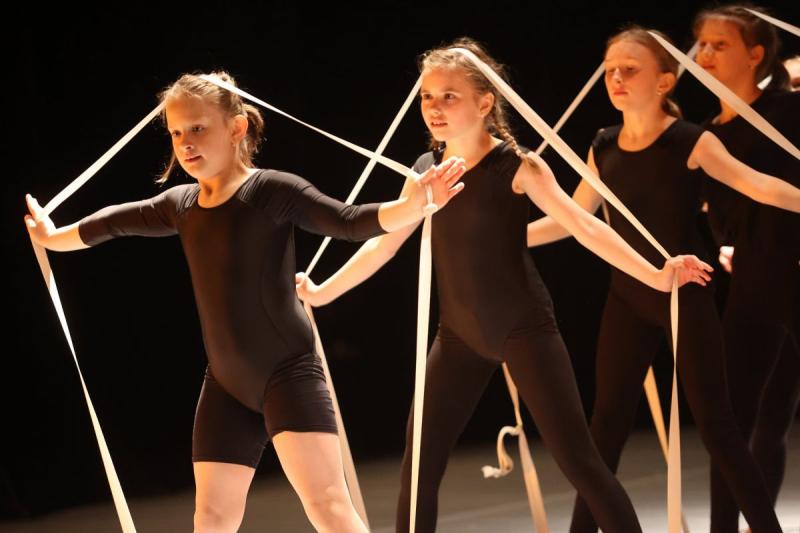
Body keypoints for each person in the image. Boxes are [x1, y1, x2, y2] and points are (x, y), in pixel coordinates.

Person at [296, 37, 712, 533]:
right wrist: (322, 291)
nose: (434, 107)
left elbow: (585, 226)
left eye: (449, 96)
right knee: (419, 468)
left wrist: (657, 273)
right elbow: (383, 245)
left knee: (581, 463)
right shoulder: (426, 173)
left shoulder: (518, 166)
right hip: (458, 338)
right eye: (427, 96)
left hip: (525, 329)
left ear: (484, 103)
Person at [24, 71, 466, 533]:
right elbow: (113, 222)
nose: (185, 142)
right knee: (211, 518)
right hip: (225, 385)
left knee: (328, 506)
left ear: (236, 128)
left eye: (198, 128)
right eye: (176, 132)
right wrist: (53, 238)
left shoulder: (272, 191)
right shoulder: (180, 204)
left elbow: (350, 221)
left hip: (288, 375)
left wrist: (415, 205)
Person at [526, 26, 800, 532]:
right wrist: (508, 237)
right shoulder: (602, 145)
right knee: (605, 427)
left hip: (685, 295)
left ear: (665, 81)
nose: (616, 78)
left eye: (630, 70)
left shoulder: (691, 141)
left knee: (718, 428)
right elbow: (571, 219)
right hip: (629, 296)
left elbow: (758, 186)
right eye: (610, 70)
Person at [693, 6, 800, 531]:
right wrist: (722, 244)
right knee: (731, 427)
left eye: (721, 44)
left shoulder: (790, 108)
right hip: (754, 283)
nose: (705, 54)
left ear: (756, 55)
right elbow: (712, 211)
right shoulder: (705, 136)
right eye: (702, 44)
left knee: (773, 419)